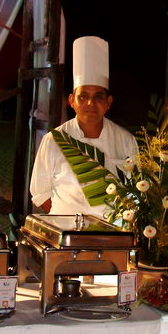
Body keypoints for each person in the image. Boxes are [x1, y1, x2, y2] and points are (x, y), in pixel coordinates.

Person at [30, 36, 137, 219]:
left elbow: (136, 190)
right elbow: (40, 193)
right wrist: (69, 221)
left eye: (98, 97)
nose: (90, 103)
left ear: (108, 102)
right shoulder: (55, 139)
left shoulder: (126, 140)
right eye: (83, 96)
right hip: (66, 236)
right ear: (72, 101)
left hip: (111, 233)